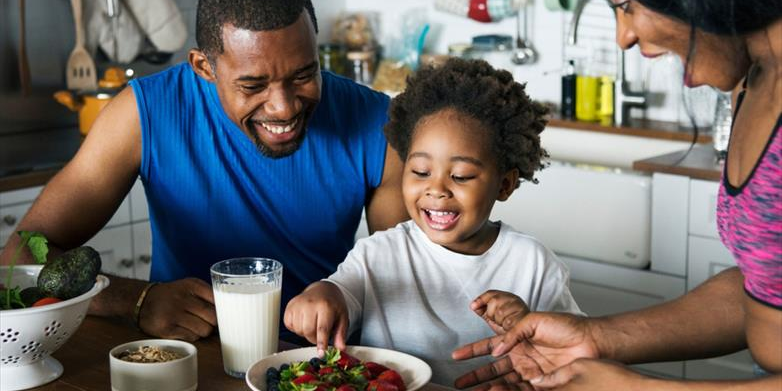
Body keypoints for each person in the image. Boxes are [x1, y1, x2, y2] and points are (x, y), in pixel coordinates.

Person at [0, 0, 407, 342]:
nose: (284, 107)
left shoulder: (378, 123)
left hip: (320, 363)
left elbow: (407, 279)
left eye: (304, 74)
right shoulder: (143, 115)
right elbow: (18, 257)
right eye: (252, 85)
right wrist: (135, 300)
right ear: (204, 66)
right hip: (193, 357)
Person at [452, 0, 782, 390]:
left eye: (626, 5)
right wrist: (594, 338)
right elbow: (764, 283)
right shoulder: (755, 81)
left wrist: (636, 388)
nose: (623, 37)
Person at [283, 58, 583, 386]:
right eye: (421, 172)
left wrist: (528, 325)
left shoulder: (534, 265)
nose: (436, 189)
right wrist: (321, 295)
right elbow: (341, 292)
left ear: (504, 185)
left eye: (461, 176)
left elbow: (576, 357)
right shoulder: (379, 252)